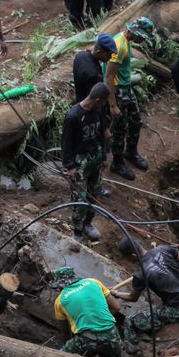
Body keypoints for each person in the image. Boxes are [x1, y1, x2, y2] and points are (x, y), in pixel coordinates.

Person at [112, 241, 179, 356]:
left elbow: (132, 297)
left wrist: (116, 293)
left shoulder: (140, 274)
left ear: (133, 256)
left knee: (130, 321)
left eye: (127, 258)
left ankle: (133, 354)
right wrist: (172, 269)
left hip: (176, 310)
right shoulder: (163, 249)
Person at [105, 17, 155, 179]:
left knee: (136, 120)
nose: (142, 40)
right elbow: (109, 76)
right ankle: (117, 163)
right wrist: (113, 104)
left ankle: (131, 152)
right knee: (120, 127)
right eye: (143, 37)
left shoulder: (127, 40)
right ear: (135, 32)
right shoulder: (119, 46)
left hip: (126, 87)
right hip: (118, 90)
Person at [61, 82, 110, 242]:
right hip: (79, 161)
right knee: (79, 197)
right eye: (104, 101)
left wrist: (103, 155)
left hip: (94, 156)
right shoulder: (73, 116)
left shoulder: (98, 110)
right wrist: (70, 166)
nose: (105, 104)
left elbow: (101, 134)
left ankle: (88, 223)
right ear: (97, 99)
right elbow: (66, 144)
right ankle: (77, 231)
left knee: (93, 193)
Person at [51, 267, 124, 357]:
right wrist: (98, 318)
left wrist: (69, 346)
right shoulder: (94, 282)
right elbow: (116, 307)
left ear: (59, 283)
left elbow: (65, 333)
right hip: (112, 335)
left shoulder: (59, 301)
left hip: (86, 339)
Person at [74, 34, 115, 103]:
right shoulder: (94, 74)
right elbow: (95, 100)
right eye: (109, 54)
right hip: (90, 109)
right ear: (98, 52)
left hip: (80, 101)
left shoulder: (80, 55)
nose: (110, 57)